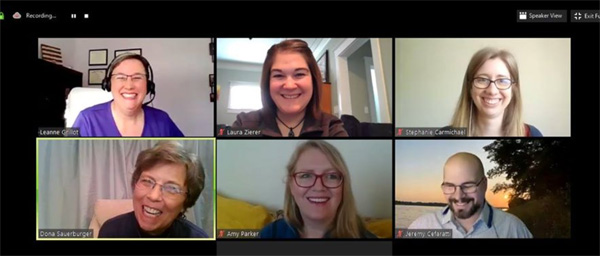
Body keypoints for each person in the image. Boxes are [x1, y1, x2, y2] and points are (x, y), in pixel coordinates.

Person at [259, 140, 376, 238]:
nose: (319, 187)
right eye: (306, 175)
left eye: (331, 176)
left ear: (343, 186)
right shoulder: (270, 233)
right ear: (291, 185)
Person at [231, 39, 348, 137]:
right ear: (268, 83)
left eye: (299, 74)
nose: (289, 86)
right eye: (278, 75)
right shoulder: (244, 123)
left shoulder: (331, 126)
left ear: (313, 80)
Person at [408, 152, 533, 238]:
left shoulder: (513, 229)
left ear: (484, 184)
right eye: (450, 186)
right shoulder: (421, 227)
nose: (458, 196)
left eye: (468, 186)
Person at [98, 141, 208, 238]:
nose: (154, 196)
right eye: (147, 181)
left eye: (171, 188)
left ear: (186, 202)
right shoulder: (111, 231)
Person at [73, 53, 184, 136]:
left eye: (137, 78)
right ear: (109, 84)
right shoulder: (87, 119)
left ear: (148, 85)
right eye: (121, 77)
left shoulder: (162, 120)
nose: (129, 86)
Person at [449, 48, 542, 137]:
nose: (492, 91)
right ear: (469, 86)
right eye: (482, 79)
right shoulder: (444, 134)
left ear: (514, 88)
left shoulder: (532, 134)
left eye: (502, 80)